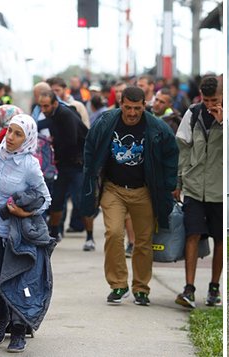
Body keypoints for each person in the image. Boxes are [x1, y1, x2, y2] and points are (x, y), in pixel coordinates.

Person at [82, 86, 178, 306]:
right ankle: (118, 285)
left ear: (144, 105)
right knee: (114, 233)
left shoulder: (157, 128)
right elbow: (89, 146)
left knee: (143, 242)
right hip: (113, 188)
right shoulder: (107, 122)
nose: (132, 113)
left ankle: (141, 288)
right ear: (120, 104)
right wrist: (89, 173)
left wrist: (169, 185)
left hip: (144, 191)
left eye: (137, 108)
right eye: (127, 107)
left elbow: (171, 155)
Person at [0, 114, 51, 353]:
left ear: (27, 138)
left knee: (17, 284)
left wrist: (23, 213)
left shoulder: (30, 165)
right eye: (10, 131)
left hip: (15, 234)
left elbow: (46, 199)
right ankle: (0, 318)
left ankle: (18, 331)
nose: (11, 138)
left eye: (18, 134)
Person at [174, 75, 224, 308]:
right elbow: (183, 147)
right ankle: (189, 288)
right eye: (206, 99)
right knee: (192, 234)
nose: (209, 104)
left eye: (214, 99)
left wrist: (223, 123)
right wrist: (179, 180)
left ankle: (214, 287)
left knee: (220, 239)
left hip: (218, 189)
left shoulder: (228, 117)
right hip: (194, 187)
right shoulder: (193, 113)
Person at [35, 85, 93, 248]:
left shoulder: (65, 114)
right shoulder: (52, 115)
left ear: (54, 104)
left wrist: (55, 147)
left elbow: (71, 141)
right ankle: (54, 233)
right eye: (41, 106)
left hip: (77, 164)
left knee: (81, 202)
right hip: (63, 165)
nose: (43, 109)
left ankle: (89, 238)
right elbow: (39, 126)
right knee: (57, 200)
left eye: (46, 105)